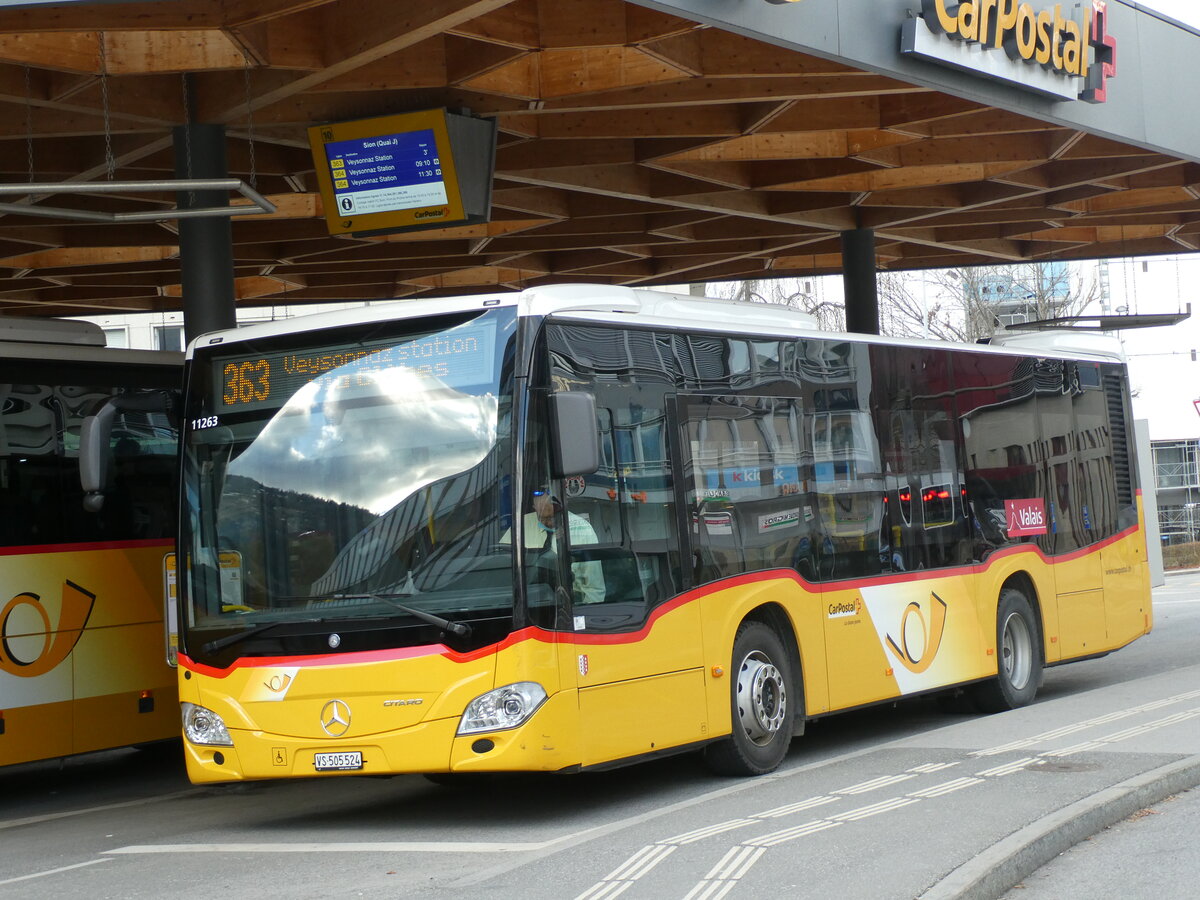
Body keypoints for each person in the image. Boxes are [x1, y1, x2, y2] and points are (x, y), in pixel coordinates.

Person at [502, 488, 606, 604]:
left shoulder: (582, 529)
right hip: (529, 603)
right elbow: (503, 563)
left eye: (553, 516)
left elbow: (594, 586)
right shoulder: (520, 528)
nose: (549, 522)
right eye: (543, 518)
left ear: (562, 509)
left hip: (571, 602)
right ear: (534, 508)